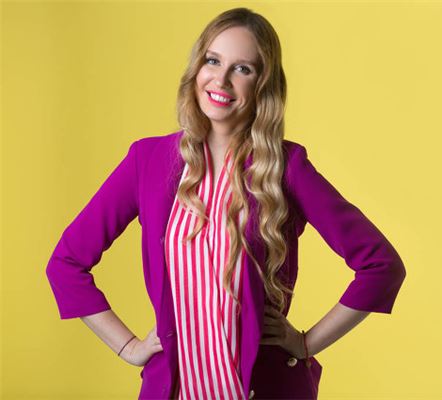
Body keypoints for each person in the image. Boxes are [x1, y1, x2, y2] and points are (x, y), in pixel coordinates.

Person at [45, 7, 406, 400]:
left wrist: (305, 343)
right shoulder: (146, 161)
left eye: (242, 69)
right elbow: (65, 264)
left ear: (263, 85)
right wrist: (128, 347)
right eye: (213, 61)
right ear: (196, 68)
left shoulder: (287, 167)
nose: (221, 79)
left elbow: (381, 266)